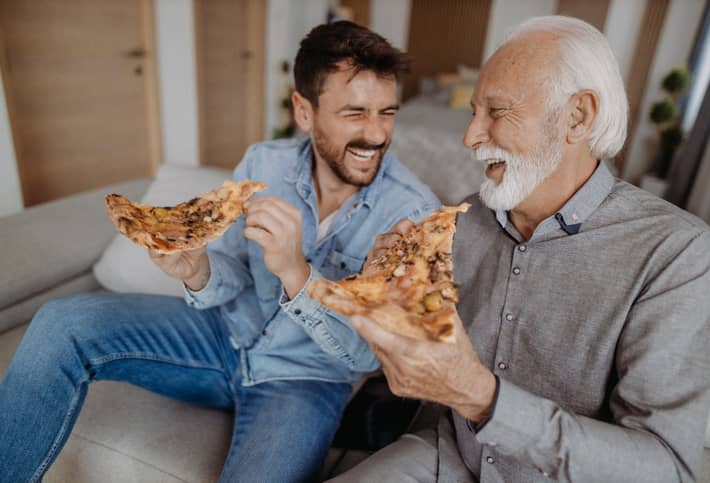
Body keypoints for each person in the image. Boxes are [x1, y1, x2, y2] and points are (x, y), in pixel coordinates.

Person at [0, 21, 439, 483]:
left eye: (387, 112)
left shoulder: (412, 213)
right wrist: (197, 270)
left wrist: (297, 272)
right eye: (355, 113)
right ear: (304, 112)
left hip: (304, 380)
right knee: (59, 323)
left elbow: (368, 357)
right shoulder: (263, 162)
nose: (376, 134)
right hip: (222, 335)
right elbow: (231, 267)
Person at [329, 16, 710, 483]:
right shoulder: (459, 222)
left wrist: (483, 398)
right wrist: (378, 299)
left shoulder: (677, 253)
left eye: (497, 112)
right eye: (474, 111)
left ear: (578, 116)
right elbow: (404, 356)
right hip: (447, 454)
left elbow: (666, 469)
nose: (470, 136)